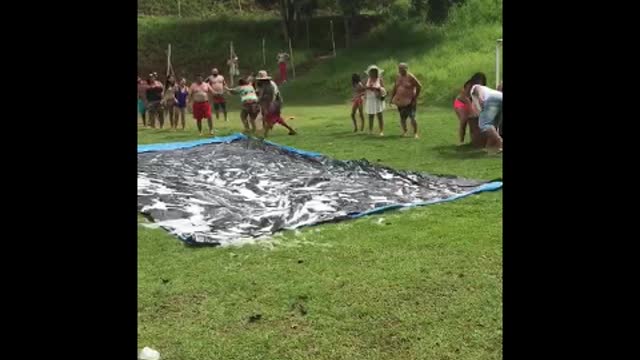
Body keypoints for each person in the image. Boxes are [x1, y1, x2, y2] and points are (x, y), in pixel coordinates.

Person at [255, 70, 296, 137]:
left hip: (273, 103)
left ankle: (265, 133)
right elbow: (260, 94)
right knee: (277, 118)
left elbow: (272, 96)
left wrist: (267, 105)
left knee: (270, 118)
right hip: (269, 103)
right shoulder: (263, 85)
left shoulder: (270, 86)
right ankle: (291, 129)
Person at [390, 62, 422, 138]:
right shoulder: (398, 76)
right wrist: (392, 98)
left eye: (401, 68)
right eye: (399, 68)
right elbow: (395, 87)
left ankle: (415, 133)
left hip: (410, 100)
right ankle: (405, 131)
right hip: (400, 101)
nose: (400, 70)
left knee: (412, 117)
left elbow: (419, 86)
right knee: (402, 117)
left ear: (406, 69)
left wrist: (415, 97)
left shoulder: (411, 77)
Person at [468, 83, 503, 153]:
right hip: (500, 97)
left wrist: (480, 97)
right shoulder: (487, 91)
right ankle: (488, 148)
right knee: (493, 127)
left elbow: (477, 88)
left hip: (492, 99)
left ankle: (500, 141)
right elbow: (477, 112)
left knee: (484, 124)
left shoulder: (474, 88)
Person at [364, 65, 386, 136]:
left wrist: (378, 89)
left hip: (377, 99)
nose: (373, 73)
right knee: (371, 115)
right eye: (371, 71)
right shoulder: (367, 79)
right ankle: (370, 130)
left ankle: (381, 131)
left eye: (374, 71)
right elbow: (364, 88)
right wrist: (368, 88)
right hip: (370, 99)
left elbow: (383, 89)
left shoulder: (380, 79)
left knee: (379, 115)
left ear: (376, 72)